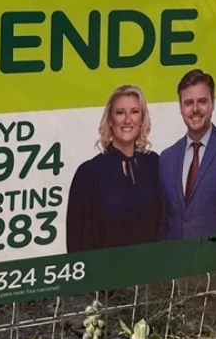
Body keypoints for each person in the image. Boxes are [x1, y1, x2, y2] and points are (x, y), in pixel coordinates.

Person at [66, 85, 161, 252]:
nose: (127, 120)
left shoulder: (155, 165)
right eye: (120, 113)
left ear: (142, 119)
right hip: (106, 274)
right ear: (110, 120)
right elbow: (78, 241)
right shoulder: (89, 173)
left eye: (134, 112)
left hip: (153, 272)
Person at [158, 69, 216, 240]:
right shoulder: (167, 158)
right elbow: (164, 218)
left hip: (214, 260)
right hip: (175, 259)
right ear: (181, 107)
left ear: (213, 103)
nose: (195, 109)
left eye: (202, 101)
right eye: (189, 103)